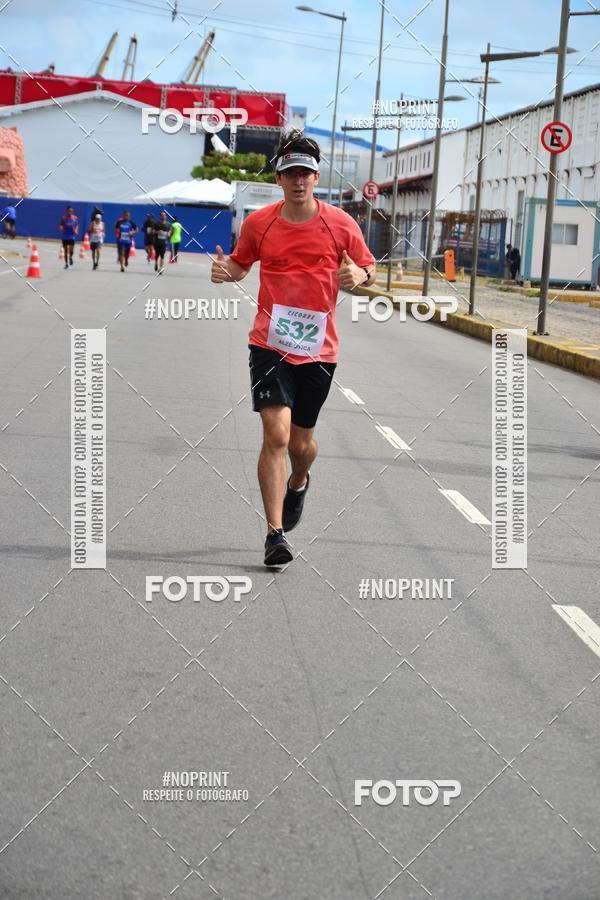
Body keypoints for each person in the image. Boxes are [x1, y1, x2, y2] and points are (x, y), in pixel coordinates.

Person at [211, 129, 376, 567]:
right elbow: (241, 264)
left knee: (302, 444)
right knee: (276, 435)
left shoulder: (340, 224)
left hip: (319, 352)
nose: (298, 180)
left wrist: (359, 276)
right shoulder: (260, 222)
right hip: (269, 344)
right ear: (280, 179)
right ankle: (274, 533)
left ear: (316, 177)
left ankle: (300, 481)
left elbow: (367, 264)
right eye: (290, 174)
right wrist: (225, 270)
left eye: (305, 173)